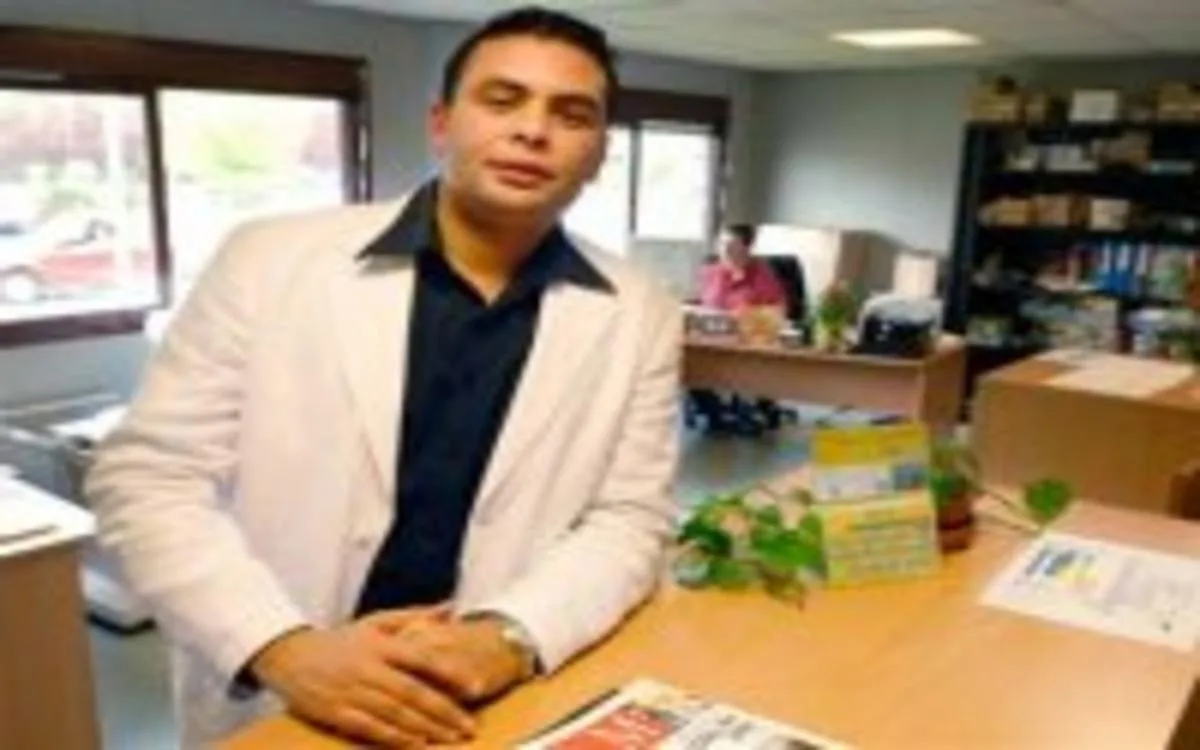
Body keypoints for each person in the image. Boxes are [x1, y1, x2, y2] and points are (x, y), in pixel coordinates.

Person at [86, 7, 681, 749]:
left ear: (598, 154)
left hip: (486, 695)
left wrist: (510, 636)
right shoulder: (269, 260)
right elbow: (149, 478)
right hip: (287, 695)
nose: (533, 130)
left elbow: (630, 517)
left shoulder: (640, 309)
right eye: (502, 100)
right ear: (442, 122)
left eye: (572, 115)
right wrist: (282, 647)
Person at [691, 224, 785, 433]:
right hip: (712, 339)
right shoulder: (711, 273)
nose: (725, 249)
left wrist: (744, 317)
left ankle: (746, 408)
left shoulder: (762, 275)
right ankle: (714, 413)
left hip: (748, 343)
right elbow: (702, 305)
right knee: (689, 363)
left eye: (732, 244)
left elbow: (777, 313)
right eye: (722, 244)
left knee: (749, 367)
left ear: (747, 247)